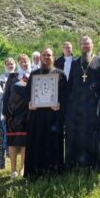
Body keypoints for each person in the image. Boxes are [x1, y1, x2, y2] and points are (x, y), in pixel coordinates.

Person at [65, 36, 100, 170]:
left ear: (92, 45)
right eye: (83, 44)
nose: (85, 46)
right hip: (77, 106)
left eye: (88, 44)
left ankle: (95, 162)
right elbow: (70, 85)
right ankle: (78, 162)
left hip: (93, 105)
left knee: (94, 133)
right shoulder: (75, 63)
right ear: (80, 46)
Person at [24, 48, 68, 179]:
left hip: (54, 116)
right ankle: (35, 172)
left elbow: (66, 95)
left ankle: (54, 171)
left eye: (49, 55)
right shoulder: (34, 74)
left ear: (53, 57)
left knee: (53, 142)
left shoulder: (60, 74)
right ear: (40, 58)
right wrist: (30, 103)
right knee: (37, 143)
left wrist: (60, 103)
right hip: (37, 116)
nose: (46, 57)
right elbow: (27, 94)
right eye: (44, 55)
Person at [2, 54, 31, 178]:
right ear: (18, 63)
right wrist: (5, 112)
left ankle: (23, 168)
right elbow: (6, 94)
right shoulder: (12, 77)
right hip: (12, 113)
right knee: (12, 142)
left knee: (25, 143)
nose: (24, 63)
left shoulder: (33, 76)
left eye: (26, 61)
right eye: (21, 62)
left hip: (27, 113)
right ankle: (13, 169)